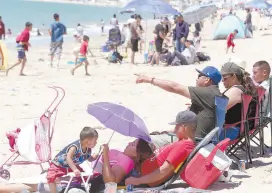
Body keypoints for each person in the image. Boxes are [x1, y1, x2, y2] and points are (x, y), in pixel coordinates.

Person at [134, 66, 222, 138]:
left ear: (207, 80)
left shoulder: (207, 93)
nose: (196, 78)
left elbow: (174, 87)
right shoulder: (216, 94)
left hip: (191, 142)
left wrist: (150, 80)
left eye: (199, 76)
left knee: (143, 141)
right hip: (201, 140)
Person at [125, 110, 196, 187]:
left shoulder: (184, 146)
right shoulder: (183, 142)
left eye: (176, 126)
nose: (174, 130)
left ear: (183, 127)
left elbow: (163, 170)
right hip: (140, 171)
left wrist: (137, 181)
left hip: (142, 178)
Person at [89, 139, 153, 192]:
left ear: (138, 154)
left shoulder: (127, 161)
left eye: (133, 144)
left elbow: (111, 182)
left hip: (91, 180)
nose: (129, 142)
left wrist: (105, 155)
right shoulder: (123, 154)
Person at [47, 127, 98, 193]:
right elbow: (68, 158)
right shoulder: (75, 147)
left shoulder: (88, 149)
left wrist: (97, 155)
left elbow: (90, 159)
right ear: (87, 141)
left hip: (71, 165)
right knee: (51, 177)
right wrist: (75, 169)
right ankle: (53, 191)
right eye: (95, 141)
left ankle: (61, 183)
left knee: (83, 178)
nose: (96, 142)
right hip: (59, 164)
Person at [220, 62, 256, 140]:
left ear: (234, 76)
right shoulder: (243, 88)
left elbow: (218, 109)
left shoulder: (236, 90)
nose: (222, 81)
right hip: (239, 128)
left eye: (224, 78)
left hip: (231, 130)